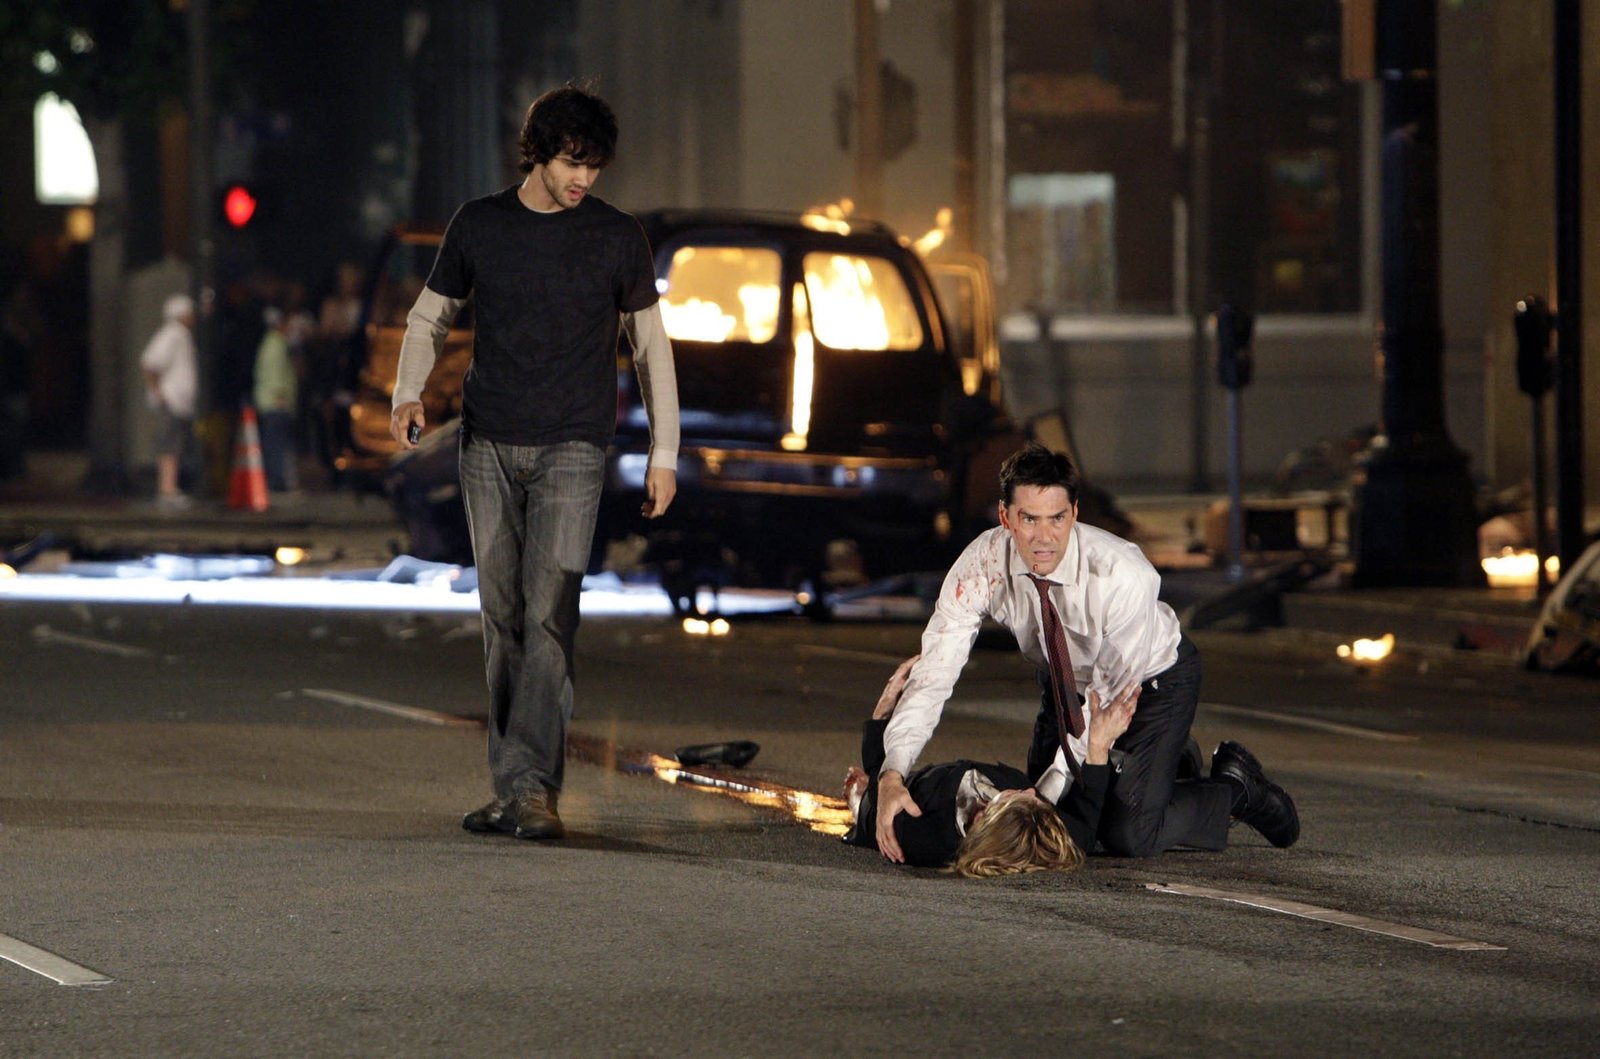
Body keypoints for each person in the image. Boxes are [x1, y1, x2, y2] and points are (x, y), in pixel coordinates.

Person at [389, 84, 679, 841]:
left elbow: (652, 347)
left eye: (594, 165)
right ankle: (513, 785)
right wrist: (407, 392)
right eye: (571, 161)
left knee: (550, 614)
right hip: (486, 444)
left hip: (575, 447)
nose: (584, 177)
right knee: (503, 619)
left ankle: (533, 790)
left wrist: (665, 452)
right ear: (539, 153)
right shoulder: (480, 224)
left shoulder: (616, 236)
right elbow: (429, 317)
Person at [874, 443, 1299, 863]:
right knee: (1056, 820)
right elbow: (934, 674)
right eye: (1029, 519)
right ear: (1006, 517)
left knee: (1123, 832)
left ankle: (1236, 789)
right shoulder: (982, 565)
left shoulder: (1122, 575)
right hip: (1063, 685)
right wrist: (892, 774)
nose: (1044, 537)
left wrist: (1045, 800)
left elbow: (1106, 700)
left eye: (1057, 518)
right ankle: (1168, 765)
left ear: (1075, 513)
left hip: (1149, 684)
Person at [844, 656, 1140, 877]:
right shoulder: (1037, 832)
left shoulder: (923, 834)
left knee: (869, 802)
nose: (1030, 791)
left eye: (1019, 797)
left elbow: (883, 805)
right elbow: (1085, 829)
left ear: (985, 815)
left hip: (904, 801)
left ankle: (855, 800)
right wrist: (1099, 747)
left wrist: (883, 712)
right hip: (969, 788)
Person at [139, 293, 198, 510]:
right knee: (170, 444)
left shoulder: (180, 335)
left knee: (175, 445)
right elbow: (150, 362)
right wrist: (158, 391)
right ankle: (167, 489)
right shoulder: (173, 334)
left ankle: (170, 488)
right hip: (172, 401)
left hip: (179, 402)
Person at [254, 307, 299, 495]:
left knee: (275, 442)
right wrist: (279, 396)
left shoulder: (272, 343)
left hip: (271, 401)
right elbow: (275, 373)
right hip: (275, 402)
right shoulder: (276, 344)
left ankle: (277, 480)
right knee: (276, 444)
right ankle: (277, 481)